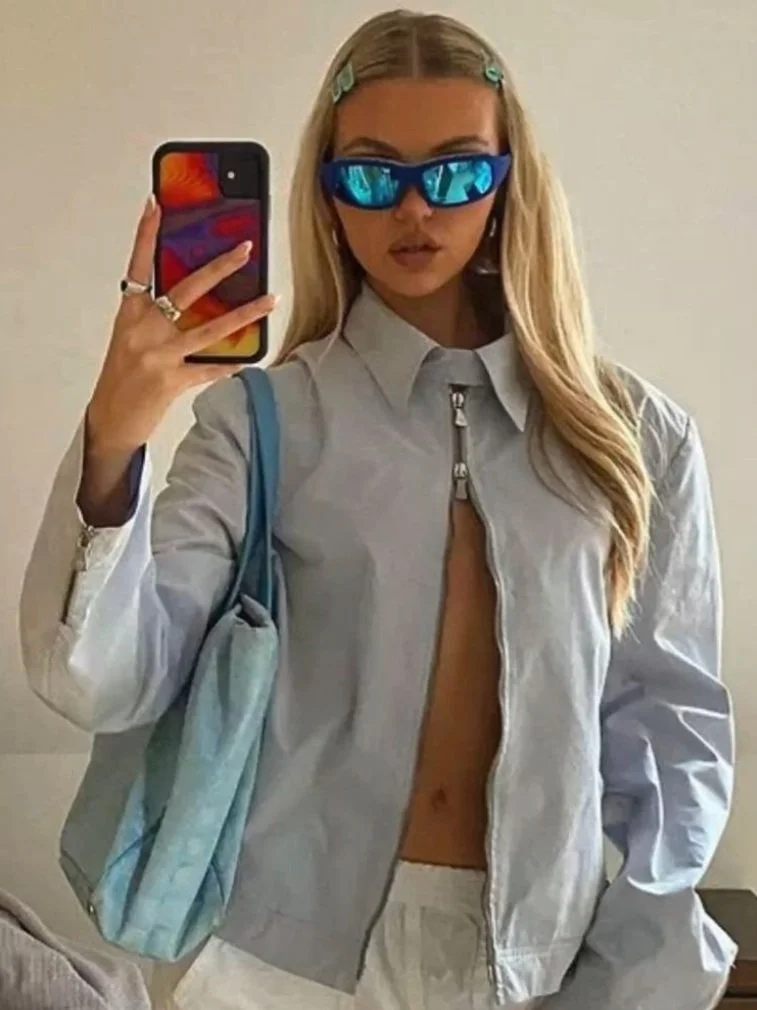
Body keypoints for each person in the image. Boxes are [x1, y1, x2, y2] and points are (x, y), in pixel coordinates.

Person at [19, 9, 737, 1010]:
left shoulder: (635, 437)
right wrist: (115, 436)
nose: (412, 209)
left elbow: (668, 734)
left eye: (455, 171)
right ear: (325, 190)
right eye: (369, 174)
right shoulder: (263, 421)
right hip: (277, 965)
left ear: (508, 181)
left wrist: (642, 971)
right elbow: (105, 683)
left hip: (542, 963)